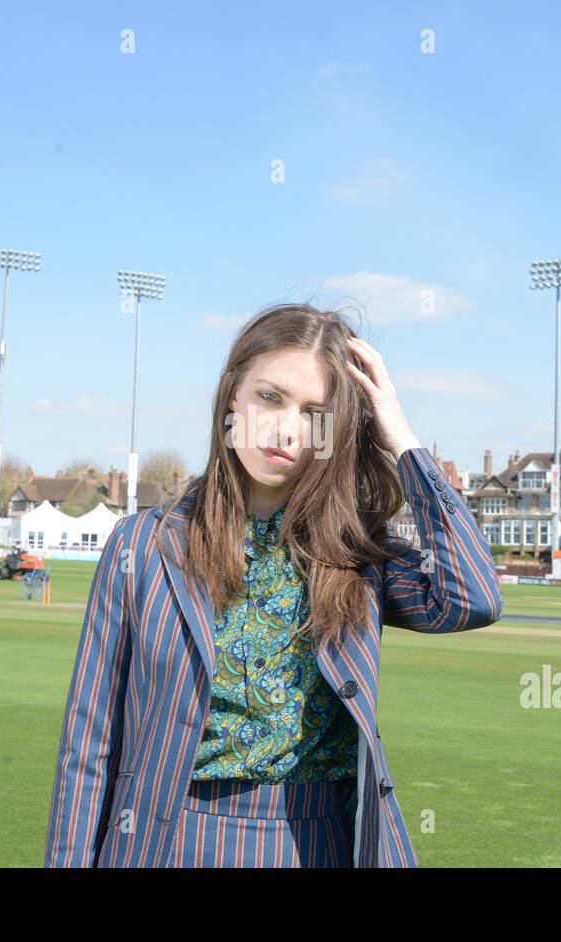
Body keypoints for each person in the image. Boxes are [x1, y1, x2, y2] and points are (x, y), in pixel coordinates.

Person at [44, 303, 503, 868]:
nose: (286, 427)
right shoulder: (141, 545)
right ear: (231, 396)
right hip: (164, 838)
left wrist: (401, 439)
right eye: (270, 397)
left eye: (315, 412)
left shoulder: (356, 556)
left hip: (317, 841)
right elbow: (89, 744)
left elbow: (471, 598)